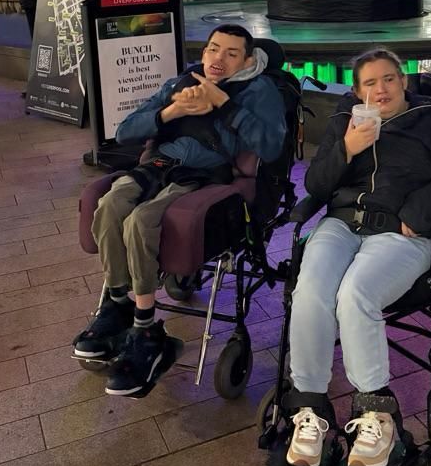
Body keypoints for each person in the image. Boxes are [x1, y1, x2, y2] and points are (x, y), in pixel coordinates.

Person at [284, 48, 431, 466]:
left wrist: (419, 211)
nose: (380, 89)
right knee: (311, 291)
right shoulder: (343, 122)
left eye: (388, 79)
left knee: (355, 294)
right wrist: (347, 148)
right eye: (370, 83)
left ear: (403, 81)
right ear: (357, 91)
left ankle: (378, 414)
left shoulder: (430, 120)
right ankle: (310, 410)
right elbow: (316, 183)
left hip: (402, 230)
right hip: (341, 224)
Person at [73, 24, 287, 397]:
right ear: (204, 52)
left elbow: (270, 146)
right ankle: (119, 303)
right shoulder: (181, 81)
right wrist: (172, 111)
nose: (218, 58)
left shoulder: (259, 89)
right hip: (157, 166)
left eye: (231, 53)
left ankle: (146, 327)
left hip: (205, 175)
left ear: (248, 60)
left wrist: (223, 103)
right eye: (213, 49)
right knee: (109, 206)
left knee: (142, 220)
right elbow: (125, 132)